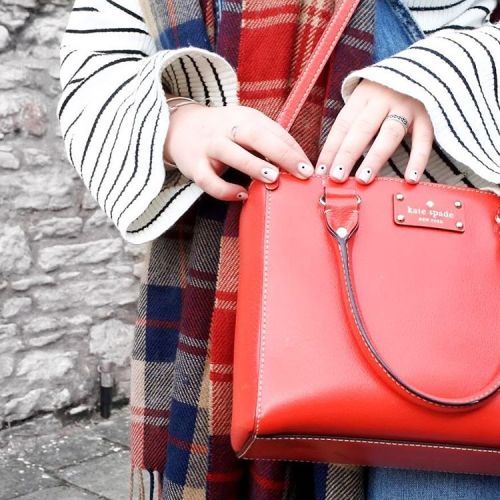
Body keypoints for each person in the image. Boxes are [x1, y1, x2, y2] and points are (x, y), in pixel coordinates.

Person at [57, 0, 500, 498]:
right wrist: (177, 123)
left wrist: (439, 76)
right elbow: (91, 74)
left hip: (436, 285)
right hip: (226, 261)